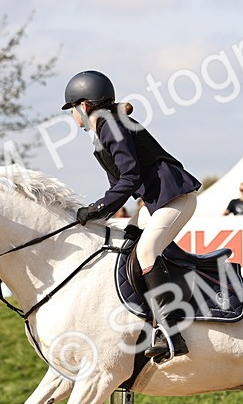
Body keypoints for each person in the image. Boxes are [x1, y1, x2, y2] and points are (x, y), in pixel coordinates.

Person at [62, 70, 201, 362]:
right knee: (128, 245)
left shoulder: (111, 126)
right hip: (154, 202)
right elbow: (119, 184)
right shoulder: (104, 130)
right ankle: (142, 314)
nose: (73, 117)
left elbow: (130, 177)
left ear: (84, 106)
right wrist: (102, 217)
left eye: (72, 109)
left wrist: (98, 209)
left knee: (147, 251)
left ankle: (171, 333)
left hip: (174, 197)